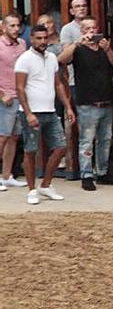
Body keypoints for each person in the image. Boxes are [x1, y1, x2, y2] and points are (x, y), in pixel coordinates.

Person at [15, 24, 74, 205]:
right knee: (31, 150)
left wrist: (68, 107)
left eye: (44, 38)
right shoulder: (24, 59)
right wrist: (28, 113)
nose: (42, 41)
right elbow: (20, 88)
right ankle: (31, 189)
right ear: (32, 39)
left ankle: (46, 184)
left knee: (61, 147)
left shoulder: (52, 58)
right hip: (32, 112)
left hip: (50, 110)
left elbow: (58, 84)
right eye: (38, 38)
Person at [59, 17, 113, 191]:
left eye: (94, 27)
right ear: (82, 31)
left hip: (106, 101)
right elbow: (61, 59)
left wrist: (108, 49)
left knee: (105, 139)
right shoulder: (78, 48)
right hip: (87, 103)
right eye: (87, 28)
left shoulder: (103, 48)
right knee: (87, 140)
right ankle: (86, 174)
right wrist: (77, 43)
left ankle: (103, 172)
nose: (91, 31)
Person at [0, 14, 26, 191]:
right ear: (3, 27)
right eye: (12, 26)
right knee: (2, 136)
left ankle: (6, 175)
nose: (16, 29)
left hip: (20, 96)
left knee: (14, 137)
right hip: (5, 97)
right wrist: (1, 94)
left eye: (18, 25)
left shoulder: (22, 44)